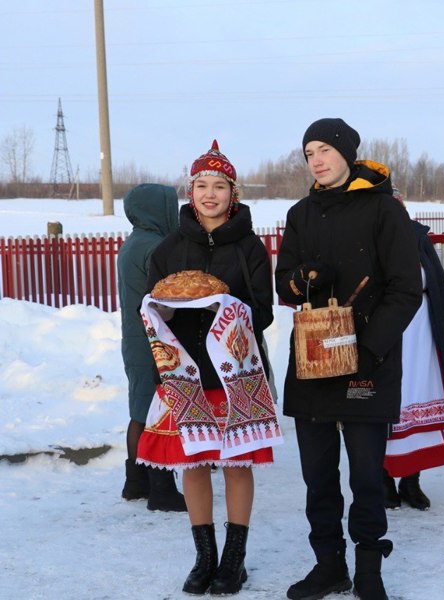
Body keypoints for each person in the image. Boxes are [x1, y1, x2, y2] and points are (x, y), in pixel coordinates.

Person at [275, 118, 421, 600]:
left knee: (365, 474)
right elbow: (284, 285)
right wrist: (306, 278)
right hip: (313, 361)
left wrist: (370, 347)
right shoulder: (299, 215)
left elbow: (405, 288)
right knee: (318, 475)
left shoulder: (384, 211)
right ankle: (329, 565)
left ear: (347, 153)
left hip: (367, 363)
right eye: (308, 152)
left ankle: (370, 567)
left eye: (324, 150)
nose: (316, 160)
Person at [138, 141, 279, 596]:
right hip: (184, 374)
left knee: (237, 465)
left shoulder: (250, 248)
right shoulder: (168, 249)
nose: (210, 194)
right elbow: (151, 309)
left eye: (219, 186)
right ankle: (205, 557)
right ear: (190, 189)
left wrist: (227, 308)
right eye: (201, 185)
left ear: (232, 193)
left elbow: (264, 312)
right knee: (192, 465)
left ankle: (234, 561)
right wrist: (168, 313)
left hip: (236, 374)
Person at [382, 187, 444, 511]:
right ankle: (384, 479)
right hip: (389, 332)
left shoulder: (419, 237)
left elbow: (438, 284)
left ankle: (412, 481)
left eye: (400, 204)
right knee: (389, 406)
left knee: (420, 399)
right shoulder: (372, 240)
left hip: (423, 330)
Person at [117, 183, 186, 512]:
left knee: (140, 410)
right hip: (153, 338)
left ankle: (136, 482)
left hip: (133, 338)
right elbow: (167, 296)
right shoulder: (157, 246)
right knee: (159, 412)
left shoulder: (132, 243)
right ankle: (162, 489)